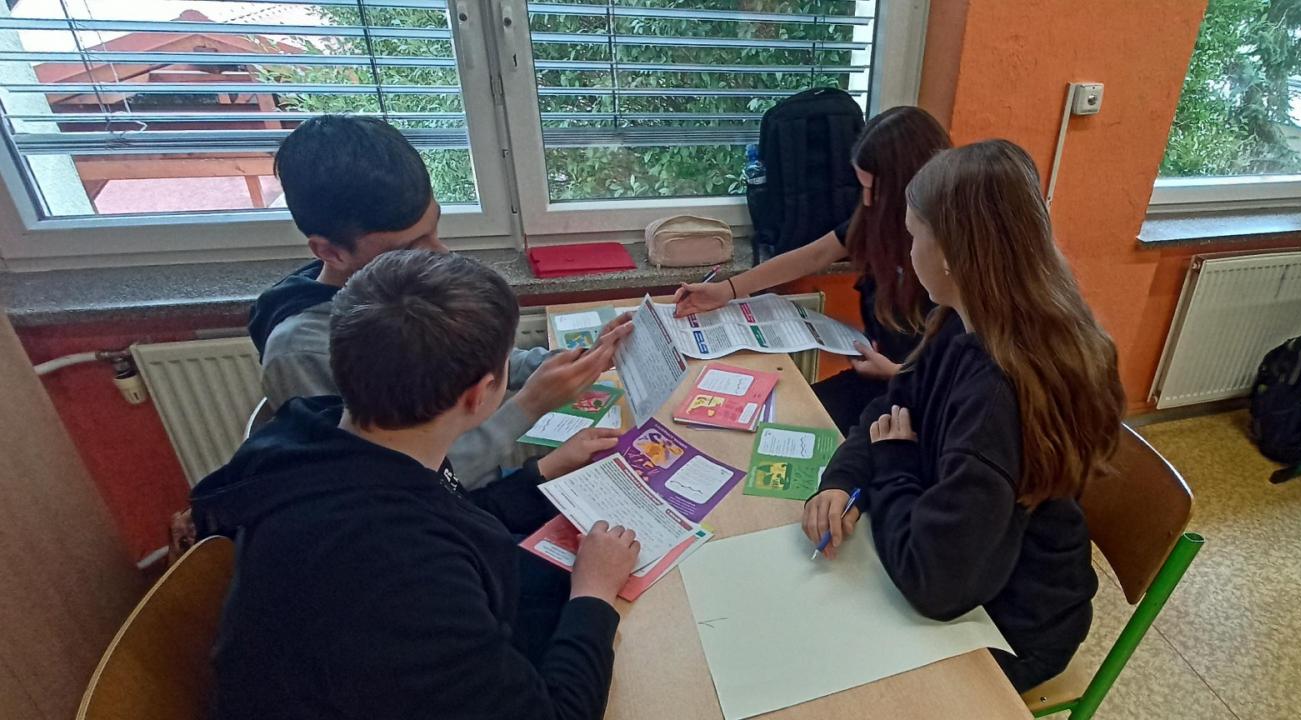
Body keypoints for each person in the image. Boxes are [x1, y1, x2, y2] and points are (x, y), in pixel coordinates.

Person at [193, 250, 640, 720]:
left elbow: (445, 509)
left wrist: (540, 476)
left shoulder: (329, 433)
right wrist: (593, 593)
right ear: (479, 394)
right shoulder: (403, 573)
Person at [800, 140, 1125, 693]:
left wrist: (894, 464)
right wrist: (844, 479)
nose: (907, 253)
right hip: (966, 563)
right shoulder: (962, 321)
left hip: (1009, 627)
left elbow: (935, 585)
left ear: (952, 251)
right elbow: (891, 406)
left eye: (914, 236)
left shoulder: (998, 393)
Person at [247, 114, 628, 488]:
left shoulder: (405, 285)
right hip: (441, 504)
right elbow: (391, 484)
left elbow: (471, 354)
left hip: (479, 486)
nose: (441, 253)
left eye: (434, 229)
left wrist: (573, 360)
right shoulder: (302, 351)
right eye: (409, 247)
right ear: (330, 252)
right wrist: (529, 405)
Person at [671, 106, 952, 430]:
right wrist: (727, 290)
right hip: (875, 382)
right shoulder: (877, 215)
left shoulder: (948, 258)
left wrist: (895, 372)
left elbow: (963, 373)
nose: (867, 201)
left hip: (918, 401)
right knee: (776, 417)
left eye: (875, 190)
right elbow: (814, 255)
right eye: (862, 187)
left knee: (803, 432)